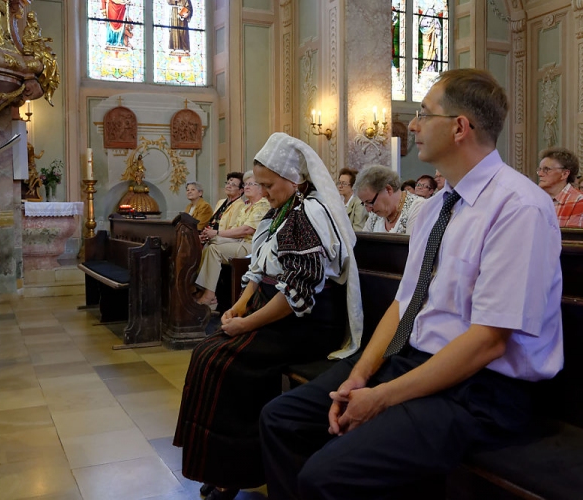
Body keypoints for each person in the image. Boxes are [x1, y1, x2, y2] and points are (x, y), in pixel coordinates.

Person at [260, 69, 563, 500]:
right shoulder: (436, 206)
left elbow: (490, 341)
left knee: (325, 476)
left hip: (482, 390)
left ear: (460, 127)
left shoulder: (518, 207)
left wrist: (381, 397)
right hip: (413, 357)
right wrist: (361, 375)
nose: (413, 125)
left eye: (423, 114)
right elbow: (405, 303)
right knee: (281, 418)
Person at [174, 133, 364, 500]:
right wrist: (241, 304)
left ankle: (237, 471)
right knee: (205, 352)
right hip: (275, 307)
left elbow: (298, 293)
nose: (263, 192)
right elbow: (260, 268)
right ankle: (220, 464)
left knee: (225, 361)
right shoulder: (282, 210)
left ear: (293, 179)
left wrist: (247, 323)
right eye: (260, 184)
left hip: (308, 322)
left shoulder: (309, 213)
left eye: (268, 184)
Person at [194, 173, 270, 308]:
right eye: (246, 184)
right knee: (210, 245)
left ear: (261, 188)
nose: (247, 186)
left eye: (251, 184)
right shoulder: (247, 206)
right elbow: (235, 230)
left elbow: (247, 230)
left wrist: (217, 233)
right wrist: (214, 237)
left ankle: (209, 295)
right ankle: (206, 293)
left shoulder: (263, 205)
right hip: (239, 242)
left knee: (214, 249)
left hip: (253, 246)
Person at [355, 166, 425, 234]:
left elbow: (412, 245)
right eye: (364, 204)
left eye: (370, 202)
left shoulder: (418, 207)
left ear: (388, 189)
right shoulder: (375, 214)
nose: (368, 210)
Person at [537, 146, 583, 228]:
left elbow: (572, 238)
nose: (540, 174)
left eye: (546, 169)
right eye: (539, 169)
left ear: (564, 174)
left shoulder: (579, 202)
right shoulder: (536, 199)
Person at [201, 172, 245, 243]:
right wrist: (205, 234)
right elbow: (213, 221)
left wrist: (214, 234)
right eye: (227, 183)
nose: (228, 186)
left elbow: (232, 228)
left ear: (241, 190)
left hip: (224, 240)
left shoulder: (240, 205)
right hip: (211, 237)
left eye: (233, 185)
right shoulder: (220, 202)